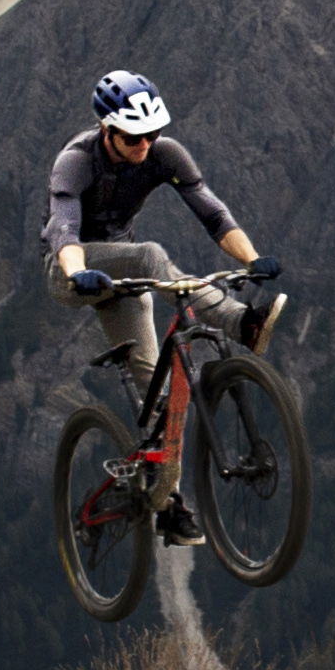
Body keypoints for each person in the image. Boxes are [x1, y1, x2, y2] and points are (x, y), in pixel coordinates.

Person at [46, 69, 282, 545]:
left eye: (152, 133)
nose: (145, 144)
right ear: (107, 129)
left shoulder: (164, 153)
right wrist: (76, 273)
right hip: (72, 269)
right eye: (134, 136)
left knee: (156, 389)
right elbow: (64, 231)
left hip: (123, 274)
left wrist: (252, 259)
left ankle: (166, 503)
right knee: (152, 254)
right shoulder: (76, 161)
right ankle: (242, 324)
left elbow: (212, 213)